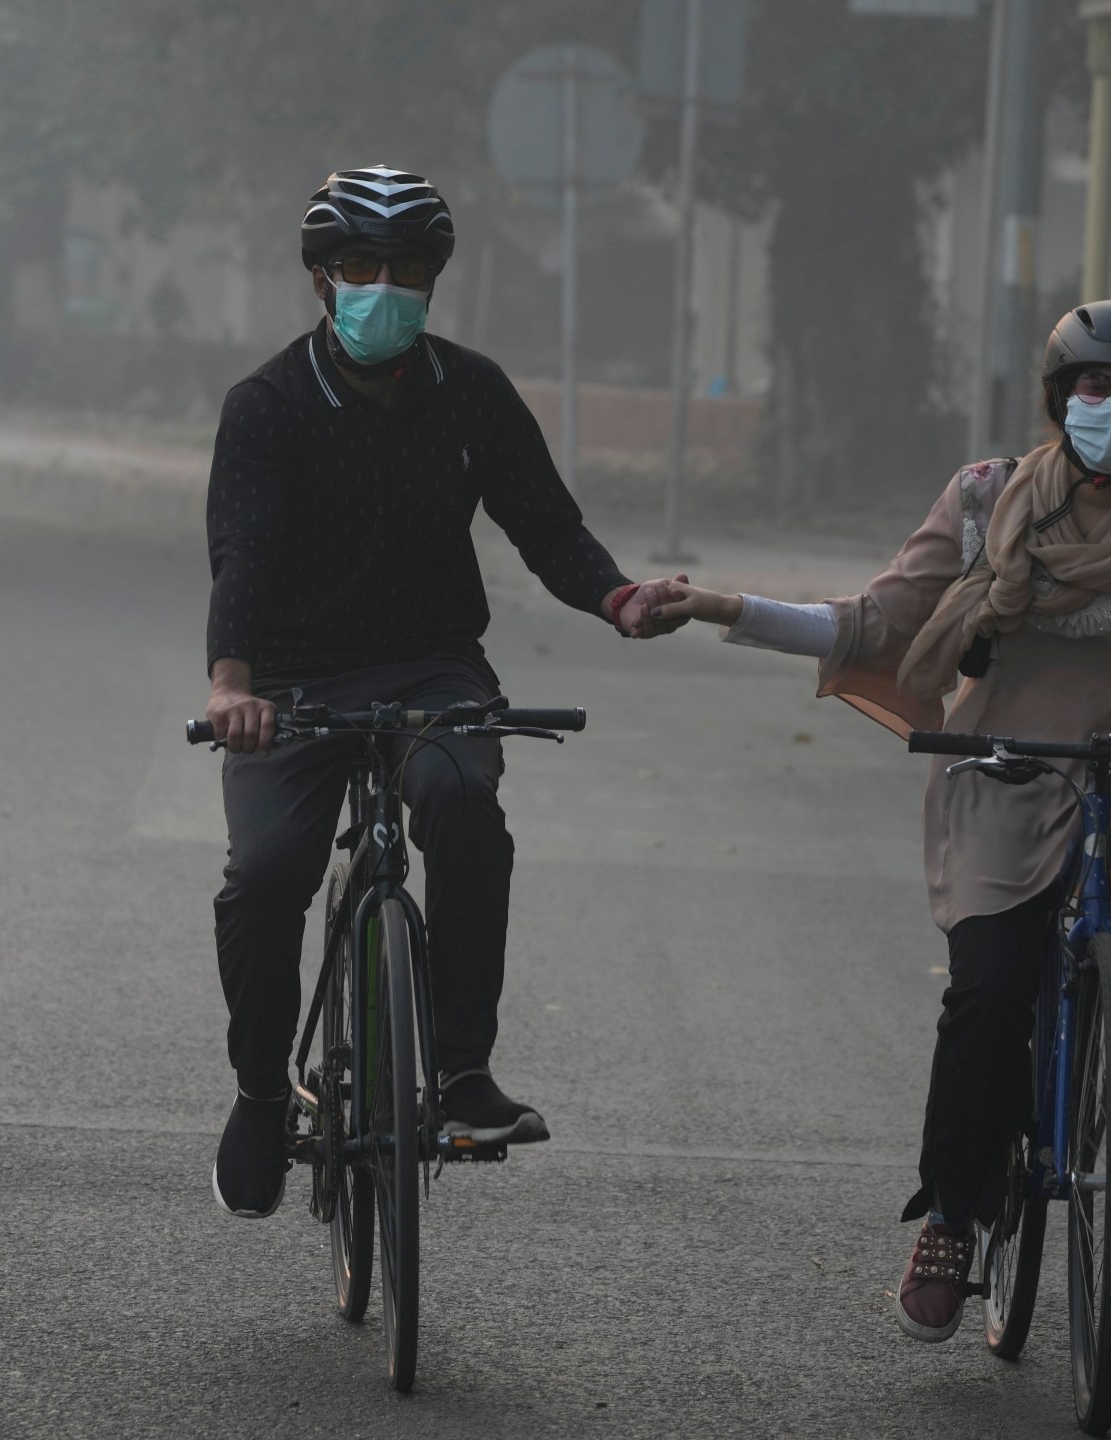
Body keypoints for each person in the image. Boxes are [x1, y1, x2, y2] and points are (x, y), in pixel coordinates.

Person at [651, 300, 1111, 1342]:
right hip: (995, 777)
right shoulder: (985, 500)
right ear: (1054, 397)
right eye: (1093, 386)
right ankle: (950, 1213)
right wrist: (720, 607)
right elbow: (875, 622)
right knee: (985, 999)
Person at [204, 165, 684, 1219]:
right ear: (323, 281)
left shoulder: (471, 392)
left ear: (434, 280)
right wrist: (234, 686)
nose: (385, 287)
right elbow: (241, 553)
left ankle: (463, 1073)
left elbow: (545, 523)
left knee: (464, 807)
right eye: (362, 267)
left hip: (432, 664)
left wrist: (618, 598)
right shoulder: (269, 405)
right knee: (267, 875)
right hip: (291, 679)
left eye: (406, 269)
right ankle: (253, 1093)